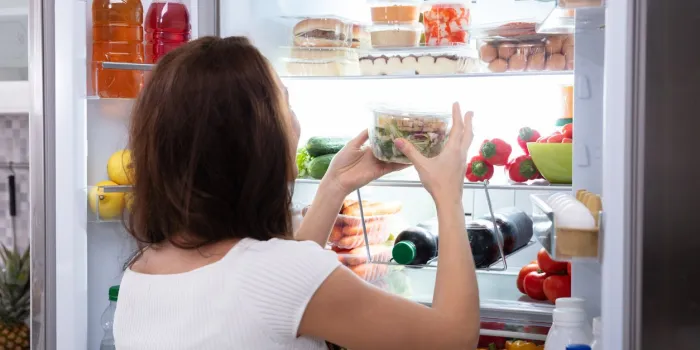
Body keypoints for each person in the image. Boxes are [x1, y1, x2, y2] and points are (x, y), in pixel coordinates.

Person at [114, 36, 479, 350]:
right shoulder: (277, 274)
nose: (294, 120)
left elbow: (275, 293)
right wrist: (449, 197)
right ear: (256, 142)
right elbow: (453, 339)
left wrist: (334, 186)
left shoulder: (141, 272)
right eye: (285, 103)